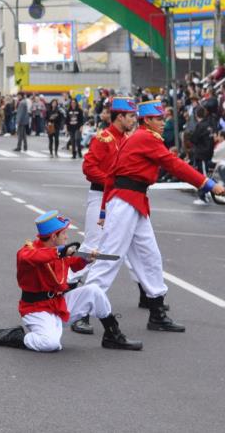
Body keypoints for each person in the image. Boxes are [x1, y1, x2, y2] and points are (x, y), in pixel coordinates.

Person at [85, 100, 225, 332]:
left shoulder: (139, 137)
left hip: (134, 201)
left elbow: (117, 174)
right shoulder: (145, 137)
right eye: (159, 119)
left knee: (150, 256)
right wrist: (207, 183)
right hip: (126, 202)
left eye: (163, 118)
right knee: (110, 257)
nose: (163, 122)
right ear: (147, 120)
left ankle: (157, 312)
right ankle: (82, 311)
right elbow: (174, 164)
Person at [0, 211, 142, 352]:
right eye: (64, 233)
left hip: (58, 303)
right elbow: (31, 257)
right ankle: (15, 337)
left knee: (94, 290)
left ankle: (112, 335)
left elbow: (72, 264)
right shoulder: (29, 252)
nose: (66, 237)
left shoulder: (60, 252)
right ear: (53, 236)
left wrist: (86, 260)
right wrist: (60, 251)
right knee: (50, 344)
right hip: (36, 310)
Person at [70, 97, 139, 334]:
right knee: (93, 248)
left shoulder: (128, 139)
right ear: (120, 117)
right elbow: (88, 168)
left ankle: (150, 295)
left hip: (121, 199)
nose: (134, 120)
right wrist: (111, 182)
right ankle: (69, 286)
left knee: (130, 247)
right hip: (101, 197)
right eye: (131, 116)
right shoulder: (103, 138)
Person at [189, 106, 215, 205]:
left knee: (203, 176)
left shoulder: (200, 125)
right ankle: (205, 194)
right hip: (208, 152)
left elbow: (193, 138)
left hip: (202, 153)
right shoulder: (209, 124)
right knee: (204, 174)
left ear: (196, 115)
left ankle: (203, 197)